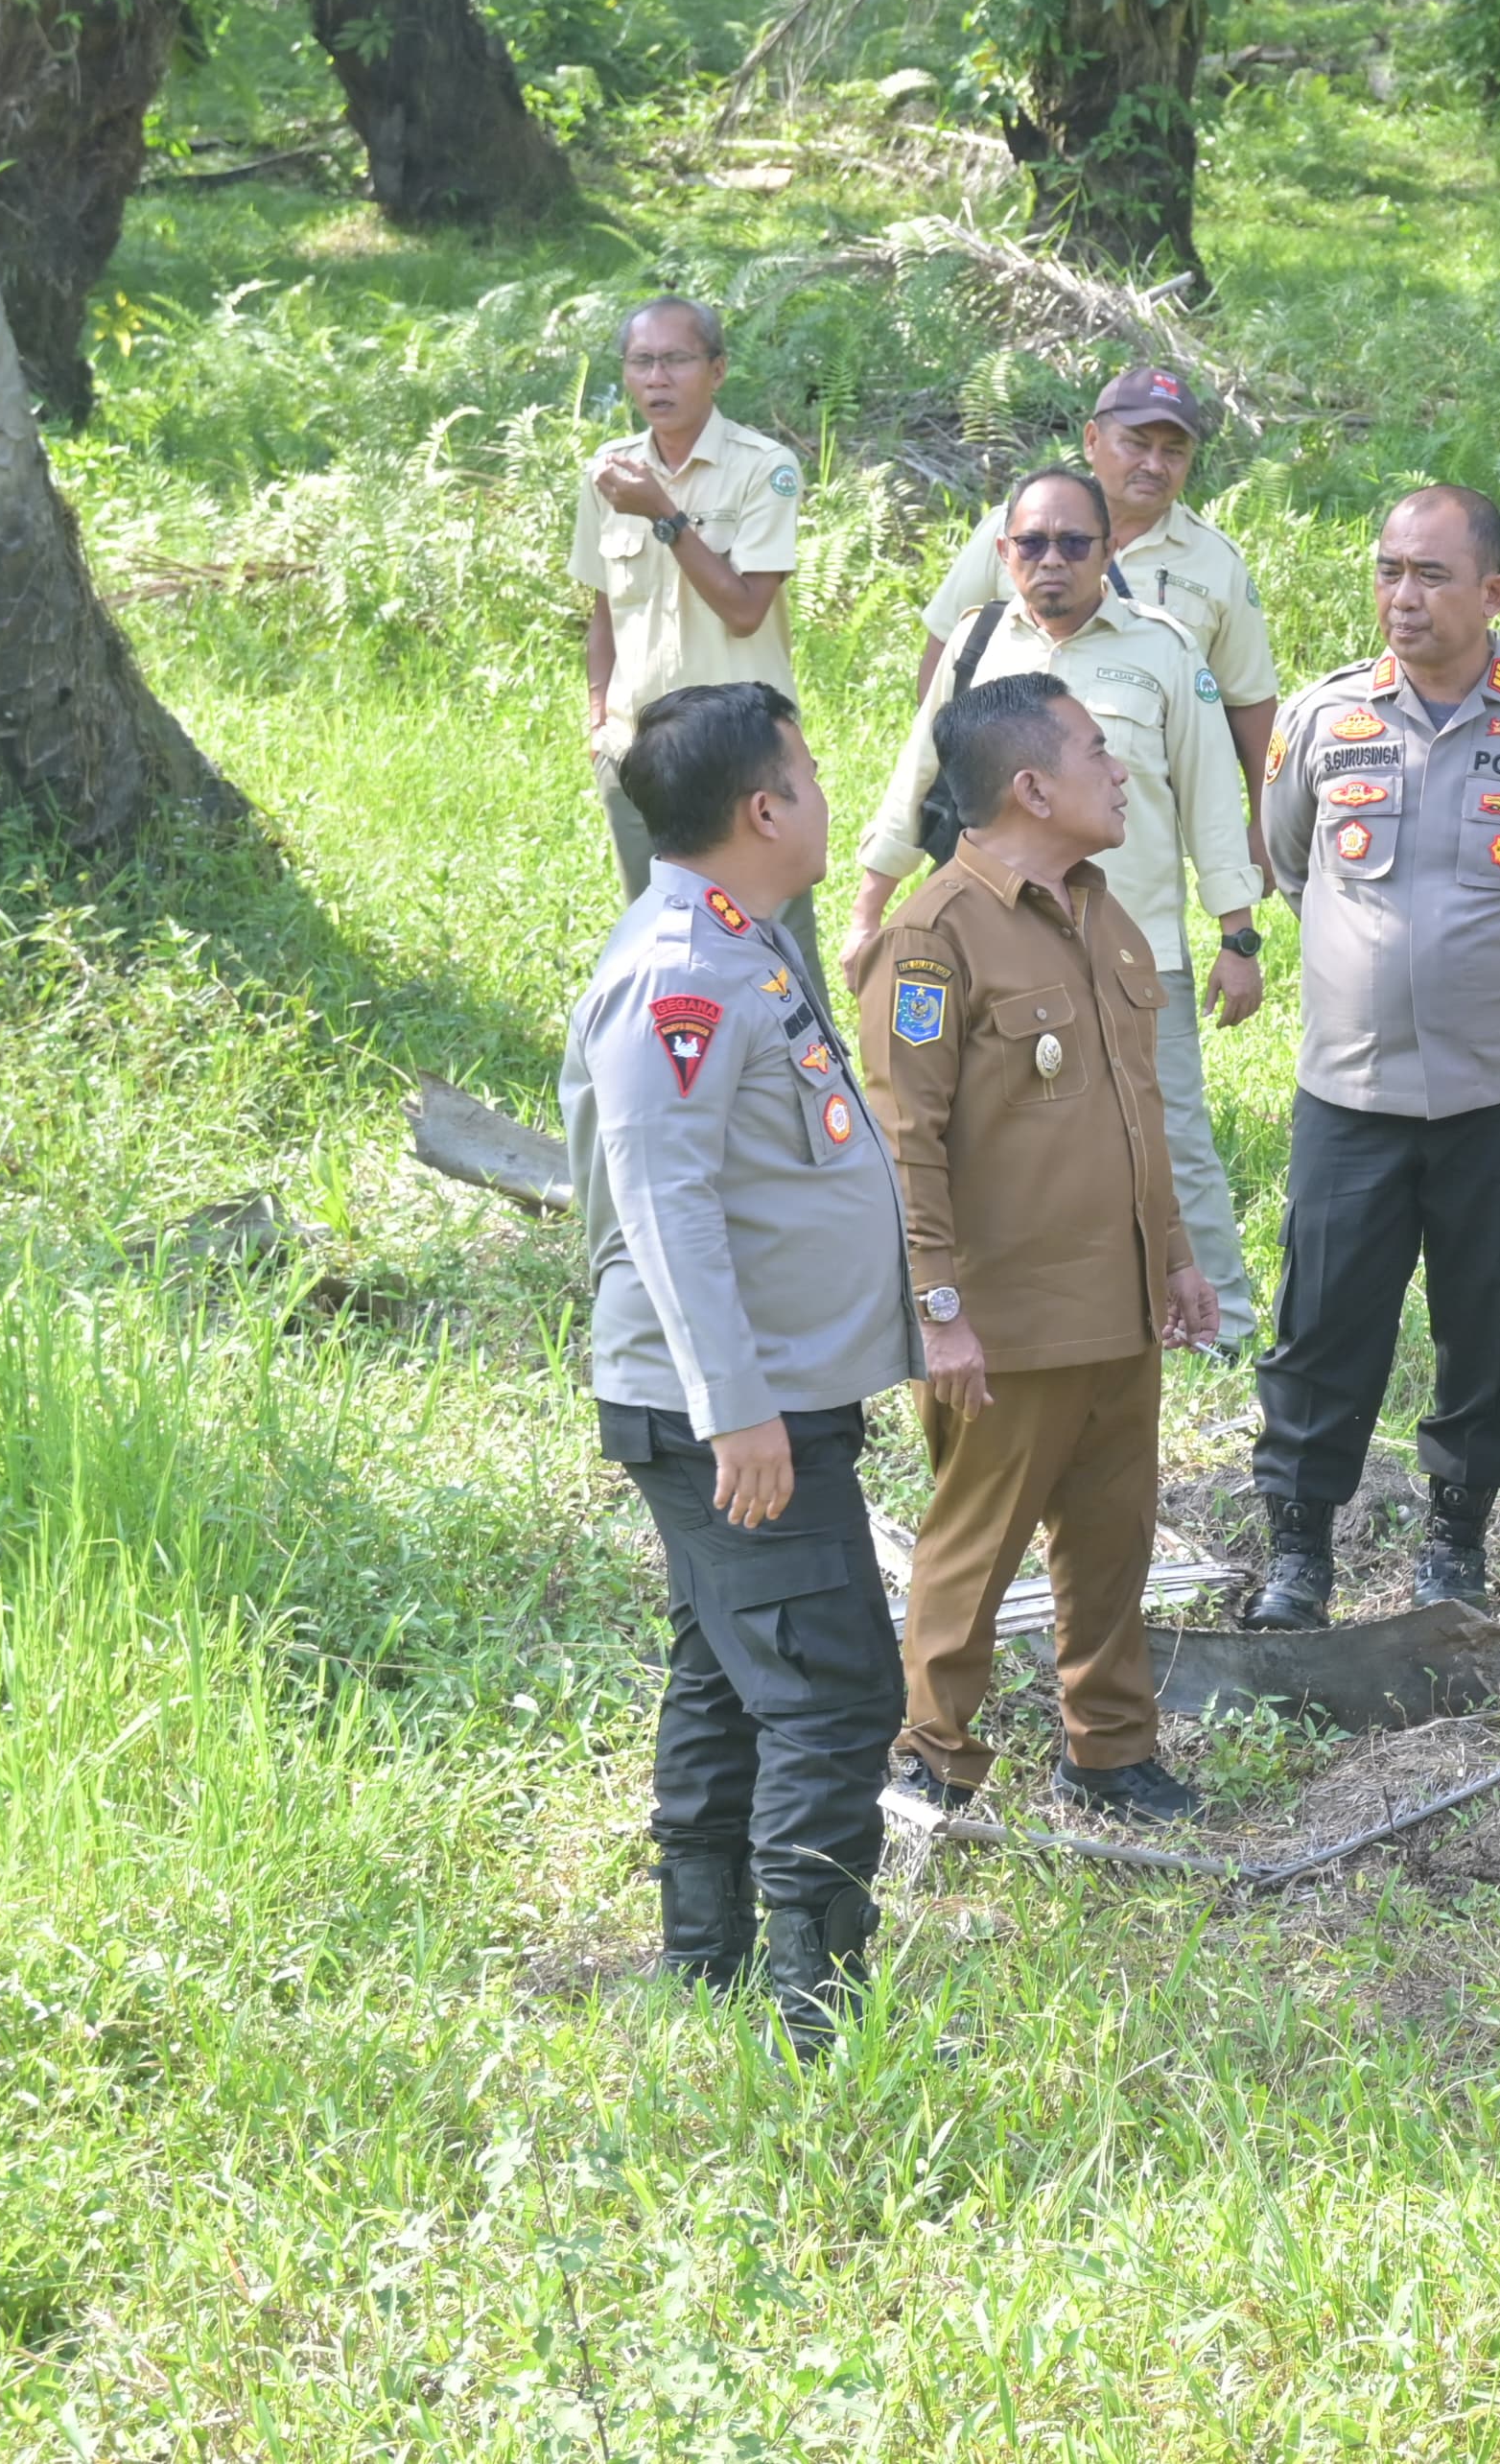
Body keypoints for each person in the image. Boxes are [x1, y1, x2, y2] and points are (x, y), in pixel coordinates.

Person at [558, 677, 912, 2055]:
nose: (826, 798)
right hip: (733, 1405)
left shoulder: (737, 942)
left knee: (725, 1663)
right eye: (809, 779)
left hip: (763, 1393)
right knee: (832, 1691)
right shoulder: (684, 974)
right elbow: (668, 1203)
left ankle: (704, 1958)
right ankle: (818, 2011)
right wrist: (737, 1406)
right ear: (765, 809)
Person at [1240, 486, 1500, 1625]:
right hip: (1351, 1085)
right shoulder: (1321, 719)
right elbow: (1291, 864)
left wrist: (1478, 968)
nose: (1401, 596)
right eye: (1388, 571)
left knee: (1484, 1313)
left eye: (1430, 575)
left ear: (1494, 592)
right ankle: (1299, 1555)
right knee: (1321, 1318)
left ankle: (1455, 1539)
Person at [857, 674, 1224, 1825]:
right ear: (1031, 786)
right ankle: (931, 1756)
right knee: (974, 1549)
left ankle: (1109, 1751)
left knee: (1113, 1545)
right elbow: (906, 1142)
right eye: (1096, 752)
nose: (1119, 772)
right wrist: (938, 1308)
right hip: (1007, 1323)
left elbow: (1138, 1118)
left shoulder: (1103, 914)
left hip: (1122, 1306)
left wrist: (1175, 1259)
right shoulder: (933, 938)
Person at [845, 468, 1271, 1347]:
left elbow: (1209, 799)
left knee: (1168, 1135)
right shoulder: (977, 644)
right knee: (1019, 1135)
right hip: (995, 949)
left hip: (1132, 947)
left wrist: (1239, 936)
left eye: (1074, 543)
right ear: (1004, 553)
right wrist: (869, 908)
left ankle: (1218, 1322)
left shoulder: (1163, 648)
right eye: (1032, 544)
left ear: (1107, 552)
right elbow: (916, 776)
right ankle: (1044, 1308)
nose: (1052, 561)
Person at [908, 364, 1285, 832]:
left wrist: (1262, 827)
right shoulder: (1017, 529)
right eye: (1136, 444)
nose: (1154, 465)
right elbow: (946, 657)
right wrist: (956, 781)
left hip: (1133, 824)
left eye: (1173, 451)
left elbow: (1250, 705)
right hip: (1005, 817)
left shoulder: (1215, 564)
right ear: (1091, 440)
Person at [570, 298, 810, 964]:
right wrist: (599, 719)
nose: (657, 378)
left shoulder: (764, 468)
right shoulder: (609, 472)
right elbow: (604, 610)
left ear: (718, 369)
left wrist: (665, 515)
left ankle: (798, 1043)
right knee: (664, 945)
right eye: (641, 361)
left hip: (744, 750)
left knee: (774, 945)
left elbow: (745, 610)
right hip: (638, 747)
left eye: (676, 360)